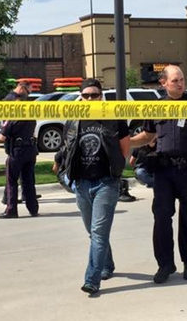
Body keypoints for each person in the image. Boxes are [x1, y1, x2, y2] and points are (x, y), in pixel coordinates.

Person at [130, 65, 187, 284]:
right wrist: (127, 143)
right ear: (163, 83)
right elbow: (147, 135)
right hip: (163, 171)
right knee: (161, 218)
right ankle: (165, 265)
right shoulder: (157, 107)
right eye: (175, 80)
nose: (180, 83)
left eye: (181, 79)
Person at [59, 79, 130, 295]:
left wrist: (116, 170)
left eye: (94, 95)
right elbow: (67, 147)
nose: (90, 98)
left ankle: (92, 279)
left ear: (102, 96)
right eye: (86, 95)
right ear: (80, 97)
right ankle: (107, 264)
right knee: (93, 232)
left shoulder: (113, 117)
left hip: (106, 183)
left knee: (98, 232)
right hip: (81, 183)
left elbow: (125, 149)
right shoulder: (73, 119)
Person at [0, 103, 39, 219]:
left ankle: (11, 210)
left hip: (17, 152)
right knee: (29, 181)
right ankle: (33, 209)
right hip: (31, 151)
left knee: (11, 181)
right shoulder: (31, 119)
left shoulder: (12, 119)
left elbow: (2, 137)